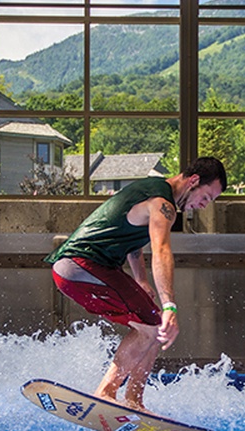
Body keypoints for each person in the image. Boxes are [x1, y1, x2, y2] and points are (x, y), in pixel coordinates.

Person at [45, 157, 227, 411]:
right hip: (80, 266)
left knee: (155, 326)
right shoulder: (163, 204)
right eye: (206, 198)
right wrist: (170, 305)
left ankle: (134, 401)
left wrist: (141, 279)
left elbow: (133, 243)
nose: (203, 206)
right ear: (194, 181)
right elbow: (161, 250)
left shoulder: (153, 190)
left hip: (84, 269)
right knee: (154, 324)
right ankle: (105, 393)